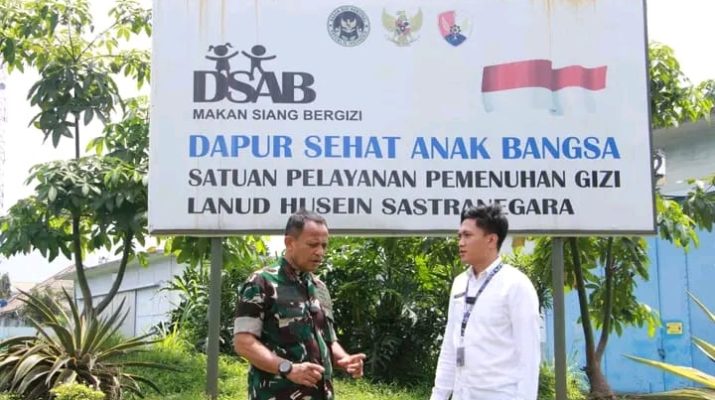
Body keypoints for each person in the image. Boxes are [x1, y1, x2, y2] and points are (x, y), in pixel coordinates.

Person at [233, 210, 366, 400]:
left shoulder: (319, 287)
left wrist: (344, 360)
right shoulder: (261, 283)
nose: (320, 252)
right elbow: (243, 343)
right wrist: (287, 369)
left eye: (324, 245)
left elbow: (328, 340)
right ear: (290, 242)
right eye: (312, 244)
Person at [431, 205, 540, 400]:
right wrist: (438, 396)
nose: (461, 243)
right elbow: (449, 347)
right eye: (459, 236)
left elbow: (529, 358)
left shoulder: (516, 285)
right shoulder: (460, 283)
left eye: (467, 235)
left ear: (491, 240)